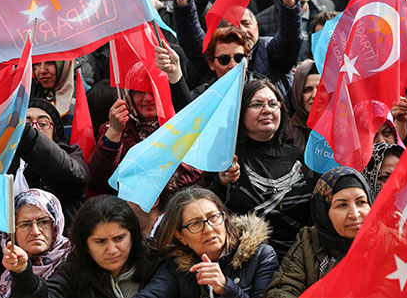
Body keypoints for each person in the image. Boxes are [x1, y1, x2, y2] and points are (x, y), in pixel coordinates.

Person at [211, 79, 316, 260]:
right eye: (257, 104)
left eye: (273, 104)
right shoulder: (228, 158)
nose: (267, 110)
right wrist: (222, 183)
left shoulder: (301, 157)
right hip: (246, 263)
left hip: (299, 261)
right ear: (241, 112)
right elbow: (209, 208)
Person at [170, 0, 302, 99]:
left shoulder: (270, 48)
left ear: (256, 27)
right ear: (212, 63)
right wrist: (184, 2)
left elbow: (289, 38)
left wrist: (289, 2)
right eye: (224, 59)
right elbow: (191, 37)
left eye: (246, 23)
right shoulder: (216, 50)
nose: (242, 30)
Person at [3, 195, 159, 297]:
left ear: (133, 236)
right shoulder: (74, 270)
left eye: (119, 238)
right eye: (100, 241)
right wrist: (23, 272)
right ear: (85, 244)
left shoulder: (157, 261)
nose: (112, 250)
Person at [134, 187, 279, 297]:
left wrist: (226, 288)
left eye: (213, 217)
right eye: (195, 224)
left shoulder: (261, 255)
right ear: (180, 236)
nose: (209, 229)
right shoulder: (177, 265)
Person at [87, 63, 203, 195]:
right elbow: (96, 181)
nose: (147, 98)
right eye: (139, 92)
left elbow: (196, 171)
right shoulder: (113, 128)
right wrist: (114, 133)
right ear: (128, 97)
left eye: (153, 91)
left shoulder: (183, 122)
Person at [264, 167, 373, 297]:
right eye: (342, 205)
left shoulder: (387, 242)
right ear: (323, 212)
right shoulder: (309, 241)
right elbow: (283, 290)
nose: (355, 214)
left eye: (361, 202)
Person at [10, 99, 88, 227]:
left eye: (43, 123)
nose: (34, 127)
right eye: (27, 123)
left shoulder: (71, 154)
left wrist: (27, 134)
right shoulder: (4, 162)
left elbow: (72, 177)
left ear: (54, 132)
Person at [0, 189, 71, 298]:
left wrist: (23, 272)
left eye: (43, 222)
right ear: (11, 232)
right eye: (25, 224)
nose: (35, 232)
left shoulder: (73, 261)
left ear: (55, 226)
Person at [289, 60, 319, 149]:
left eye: (321, 88)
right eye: (307, 90)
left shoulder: (342, 131)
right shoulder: (283, 133)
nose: (314, 95)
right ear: (297, 93)